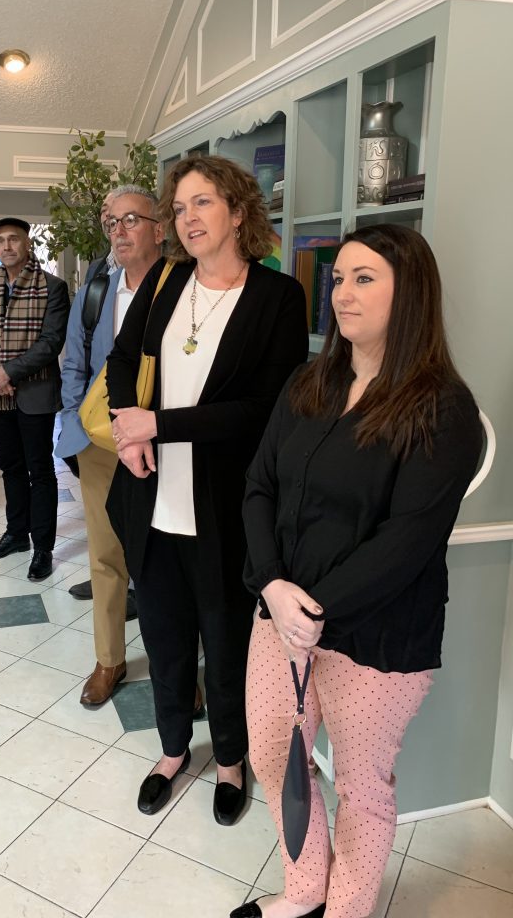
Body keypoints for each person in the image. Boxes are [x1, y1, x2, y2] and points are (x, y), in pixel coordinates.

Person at [235, 224, 483, 918]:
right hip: (279, 618)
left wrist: (308, 609)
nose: (341, 293)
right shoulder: (309, 381)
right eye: (338, 277)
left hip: (375, 639)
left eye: (363, 277)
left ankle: (344, 911)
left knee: (363, 788)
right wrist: (273, 587)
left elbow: (407, 542)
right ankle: (305, 891)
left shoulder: (442, 408)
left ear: (411, 293)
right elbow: (258, 487)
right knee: (272, 759)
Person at [106, 155, 308, 823]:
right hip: (152, 503)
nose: (187, 218)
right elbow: (121, 362)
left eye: (203, 204)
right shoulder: (164, 283)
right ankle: (171, 752)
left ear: (239, 212)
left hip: (225, 509)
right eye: (181, 206)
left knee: (224, 646)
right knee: (163, 638)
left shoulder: (277, 297)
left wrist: (158, 423)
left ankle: (228, 760)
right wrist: (129, 433)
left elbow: (263, 408)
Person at [56, 186, 164, 707]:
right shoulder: (96, 291)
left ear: (159, 229)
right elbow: (73, 361)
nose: (118, 231)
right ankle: (109, 660)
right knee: (105, 555)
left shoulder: (184, 290)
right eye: (112, 223)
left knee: (167, 559)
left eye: (131, 220)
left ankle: (177, 667)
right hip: (99, 446)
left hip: (165, 446)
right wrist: (75, 422)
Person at [0, 217, 69, 581]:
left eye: (14, 239)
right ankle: (16, 535)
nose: (7, 246)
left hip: (36, 394)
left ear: (28, 244)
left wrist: (7, 372)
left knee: (39, 471)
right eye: (0, 240)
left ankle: (43, 547)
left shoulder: (53, 286)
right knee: (10, 467)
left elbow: (51, 341)